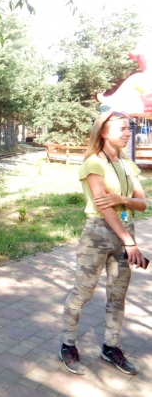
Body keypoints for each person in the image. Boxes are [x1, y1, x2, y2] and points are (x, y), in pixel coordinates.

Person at [60, 111, 147, 376]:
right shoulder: (92, 164)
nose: (128, 132)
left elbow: (142, 204)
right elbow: (103, 207)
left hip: (125, 232)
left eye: (129, 128)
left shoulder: (127, 164)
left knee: (117, 297)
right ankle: (68, 345)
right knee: (82, 293)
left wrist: (121, 198)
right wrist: (129, 241)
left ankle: (111, 348)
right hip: (98, 235)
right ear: (104, 132)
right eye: (122, 128)